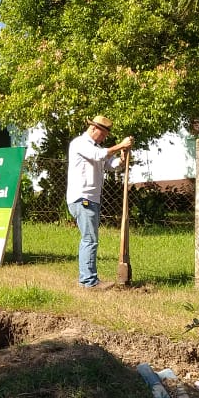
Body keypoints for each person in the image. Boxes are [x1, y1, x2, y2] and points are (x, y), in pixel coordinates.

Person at [66, 116, 133, 289]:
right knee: (89, 239)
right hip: (82, 198)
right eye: (103, 134)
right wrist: (120, 145)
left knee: (90, 238)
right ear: (93, 129)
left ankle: (88, 279)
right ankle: (88, 281)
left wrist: (122, 157)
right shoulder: (80, 143)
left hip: (92, 199)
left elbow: (112, 165)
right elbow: (99, 155)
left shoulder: (96, 147)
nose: (104, 138)